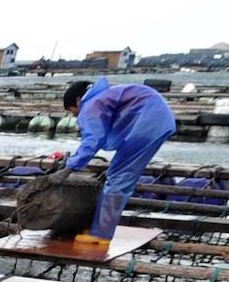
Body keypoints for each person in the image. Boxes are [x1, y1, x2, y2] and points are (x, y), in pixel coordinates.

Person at [57, 76, 177, 241]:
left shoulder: (91, 105)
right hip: (157, 121)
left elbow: (92, 141)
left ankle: (101, 235)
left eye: (72, 111)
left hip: (147, 125)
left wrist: (70, 166)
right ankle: (100, 230)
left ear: (78, 100)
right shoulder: (107, 95)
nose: (76, 116)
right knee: (119, 175)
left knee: (118, 178)